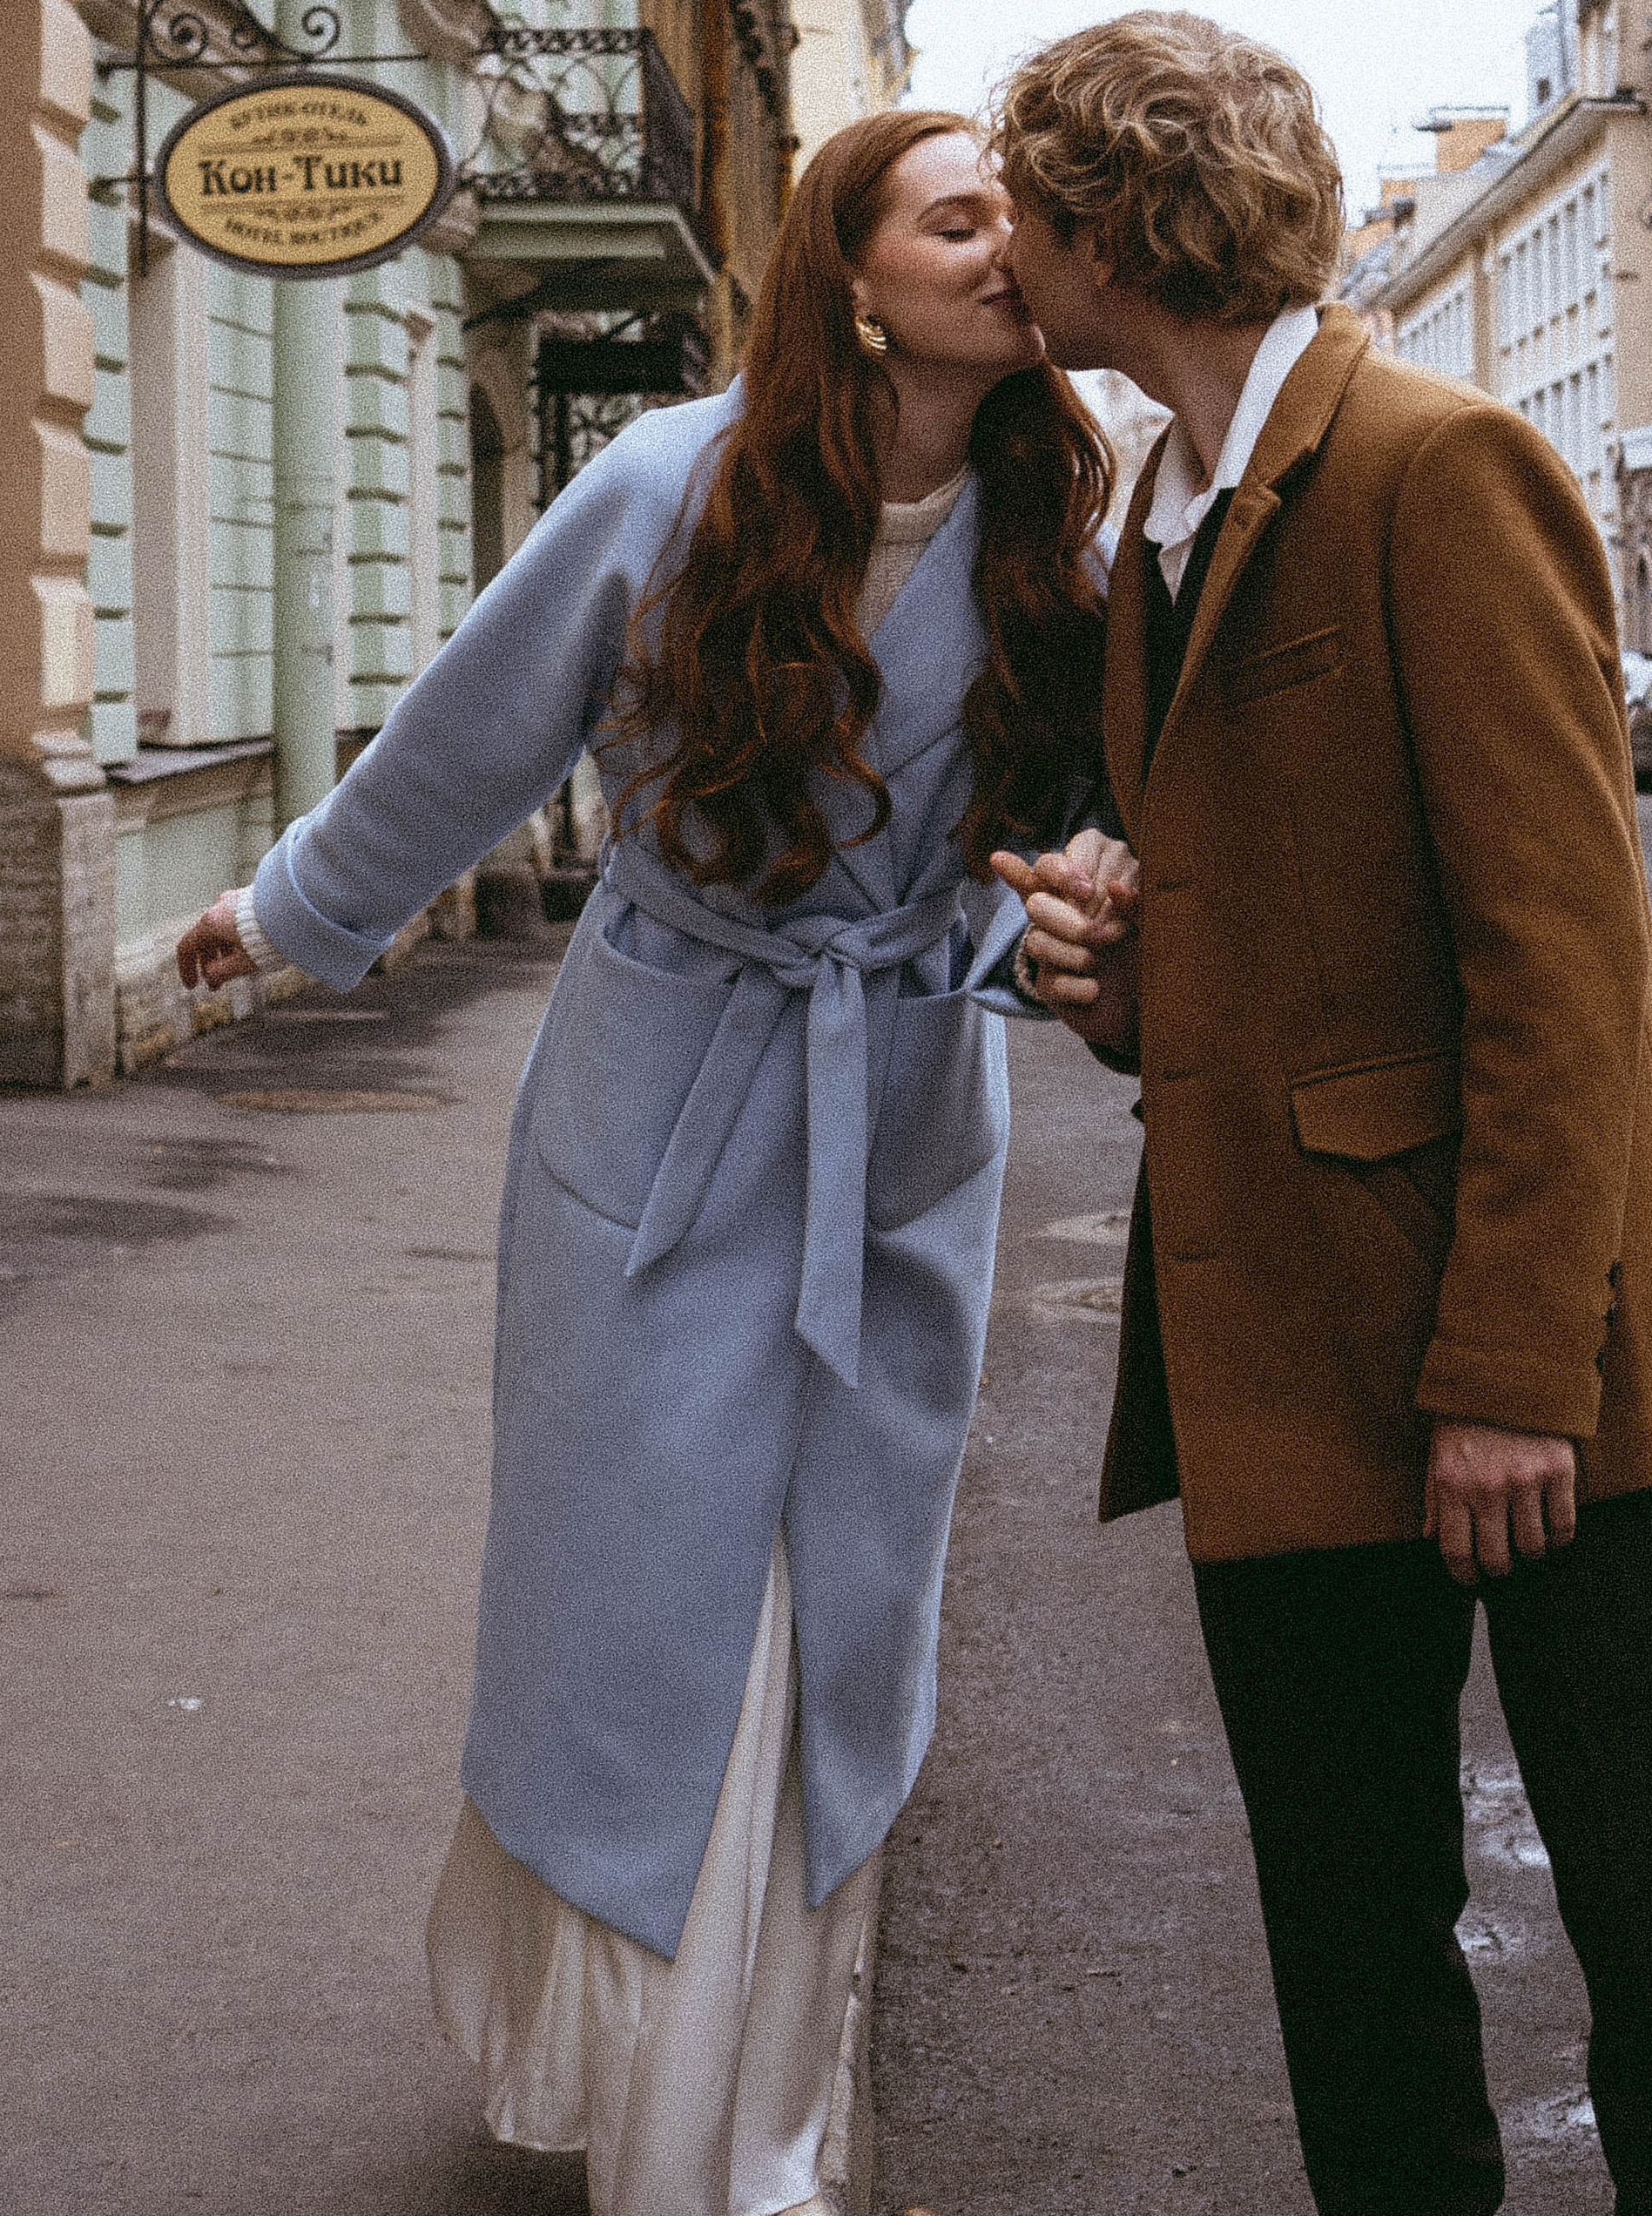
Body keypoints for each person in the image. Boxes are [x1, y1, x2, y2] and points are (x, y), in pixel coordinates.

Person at [174, 110, 1130, 2216]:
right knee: (636, 1604)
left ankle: (741, 2118)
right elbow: (472, 730)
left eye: (1022, 223)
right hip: (660, 1090)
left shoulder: (1060, 513)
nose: (1005, 247)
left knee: (834, 1597)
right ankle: (613, 2075)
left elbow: (1101, 795)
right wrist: (294, 917)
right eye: (953, 216)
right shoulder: (663, 483)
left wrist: (1081, 892)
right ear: (853, 275)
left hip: (892, 1116)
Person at [986, 13, 1652, 2216]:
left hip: (1537, 1353)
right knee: (1349, 1960)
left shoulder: (1435, 469)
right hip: (1284, 1348)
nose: (1002, 257)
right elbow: (1280, 938)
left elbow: (1559, 965)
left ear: (1100, 223)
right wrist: (1123, 985)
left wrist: (1513, 1380)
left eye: (1015, 206)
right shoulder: (1155, 511)